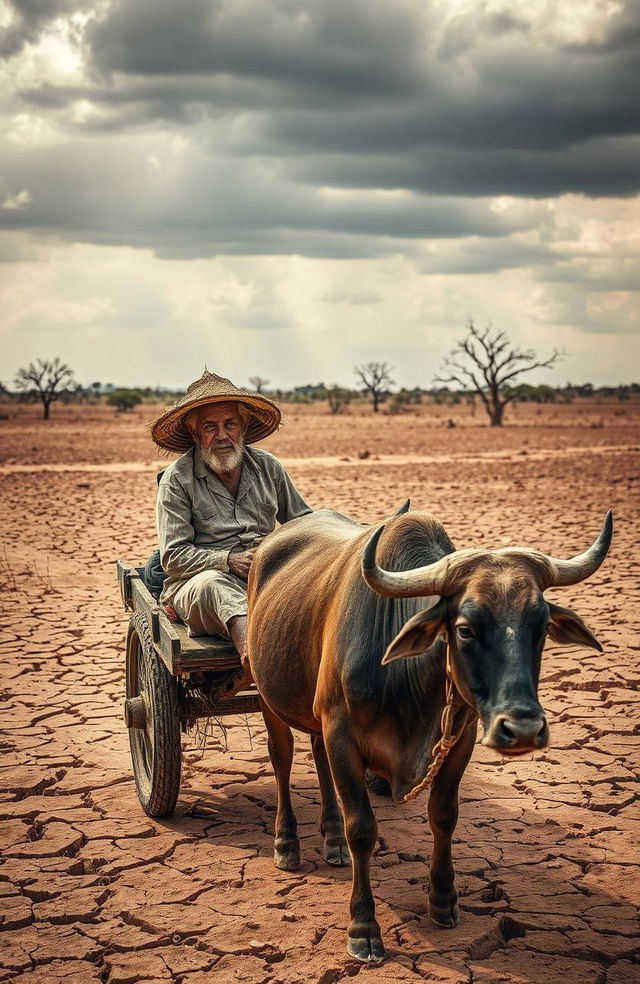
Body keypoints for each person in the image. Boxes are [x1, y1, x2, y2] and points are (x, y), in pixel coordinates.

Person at [151, 370, 312, 679]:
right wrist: (228, 560)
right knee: (215, 585)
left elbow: (304, 522)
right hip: (197, 585)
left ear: (244, 426)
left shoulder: (267, 466)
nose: (222, 435)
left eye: (230, 424)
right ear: (195, 432)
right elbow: (173, 558)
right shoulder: (177, 480)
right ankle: (256, 660)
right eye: (210, 427)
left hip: (265, 576)